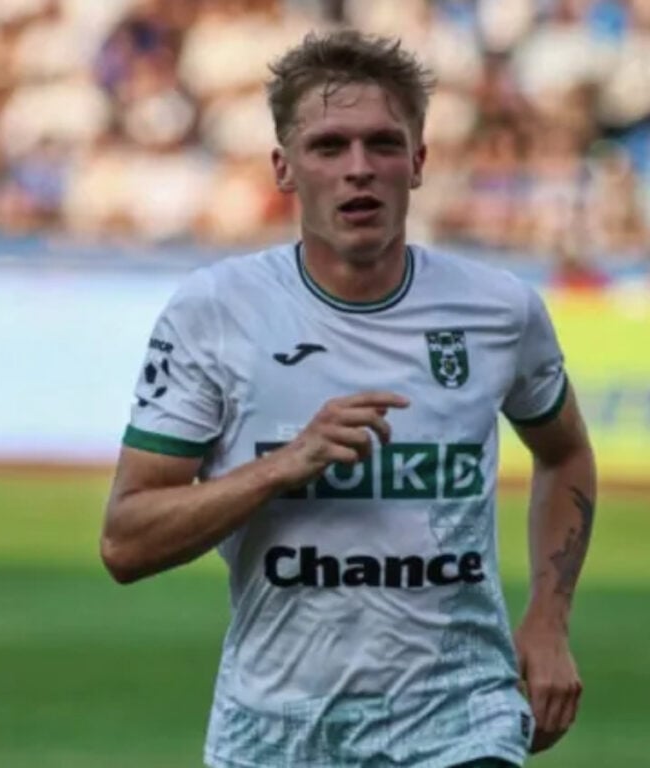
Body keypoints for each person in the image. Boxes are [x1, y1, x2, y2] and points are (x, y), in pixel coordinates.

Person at [100, 31, 596, 768]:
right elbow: (125, 541)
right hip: (275, 731)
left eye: (383, 144)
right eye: (329, 146)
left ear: (418, 162)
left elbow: (566, 454)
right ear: (284, 168)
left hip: (461, 721)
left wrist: (549, 620)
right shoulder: (215, 312)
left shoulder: (499, 310)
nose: (358, 168)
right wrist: (282, 466)